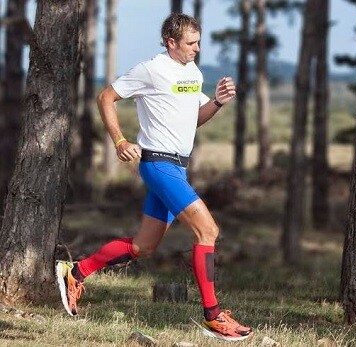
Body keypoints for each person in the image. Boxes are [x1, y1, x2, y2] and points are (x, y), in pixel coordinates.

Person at [56, 13, 252, 341]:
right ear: (170, 42)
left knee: (143, 246)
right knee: (208, 231)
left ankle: (76, 272)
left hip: (178, 166)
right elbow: (105, 97)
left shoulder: (192, 71)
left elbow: (194, 119)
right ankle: (213, 316)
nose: (197, 49)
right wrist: (119, 141)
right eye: (191, 43)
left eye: (199, 42)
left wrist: (217, 102)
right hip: (158, 164)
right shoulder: (151, 69)